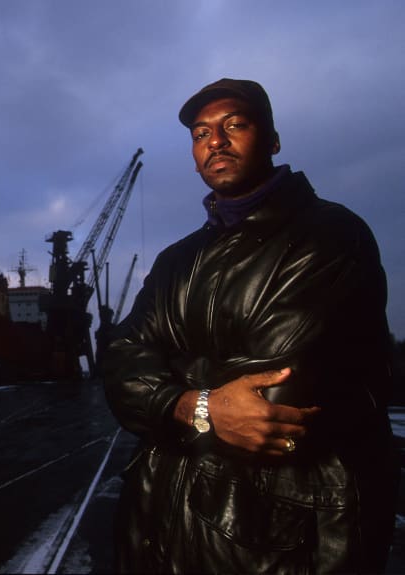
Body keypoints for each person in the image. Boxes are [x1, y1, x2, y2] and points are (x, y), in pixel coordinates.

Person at [102, 78, 399, 573]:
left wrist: (165, 388)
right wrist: (200, 404)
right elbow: (118, 363)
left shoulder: (328, 235)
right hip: (160, 528)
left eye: (234, 125)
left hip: (275, 541)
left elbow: (273, 405)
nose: (214, 141)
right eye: (200, 133)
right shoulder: (178, 259)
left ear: (274, 141)